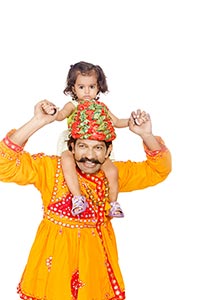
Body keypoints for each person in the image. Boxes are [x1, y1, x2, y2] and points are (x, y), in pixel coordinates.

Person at [0, 100, 172, 300]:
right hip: (55, 267)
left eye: (98, 148)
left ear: (108, 152)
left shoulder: (112, 175)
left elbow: (159, 170)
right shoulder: (49, 169)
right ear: (71, 147)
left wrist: (146, 136)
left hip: (94, 270)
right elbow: (4, 166)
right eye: (82, 146)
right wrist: (37, 121)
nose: (89, 156)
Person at [42, 61, 129, 218]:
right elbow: (60, 116)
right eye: (81, 87)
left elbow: (116, 122)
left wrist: (131, 122)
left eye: (92, 87)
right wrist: (52, 111)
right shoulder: (72, 105)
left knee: (111, 170)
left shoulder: (101, 107)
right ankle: (77, 198)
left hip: (97, 145)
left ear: (98, 87)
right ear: (73, 88)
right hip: (73, 143)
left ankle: (114, 203)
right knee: (67, 161)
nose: (87, 91)